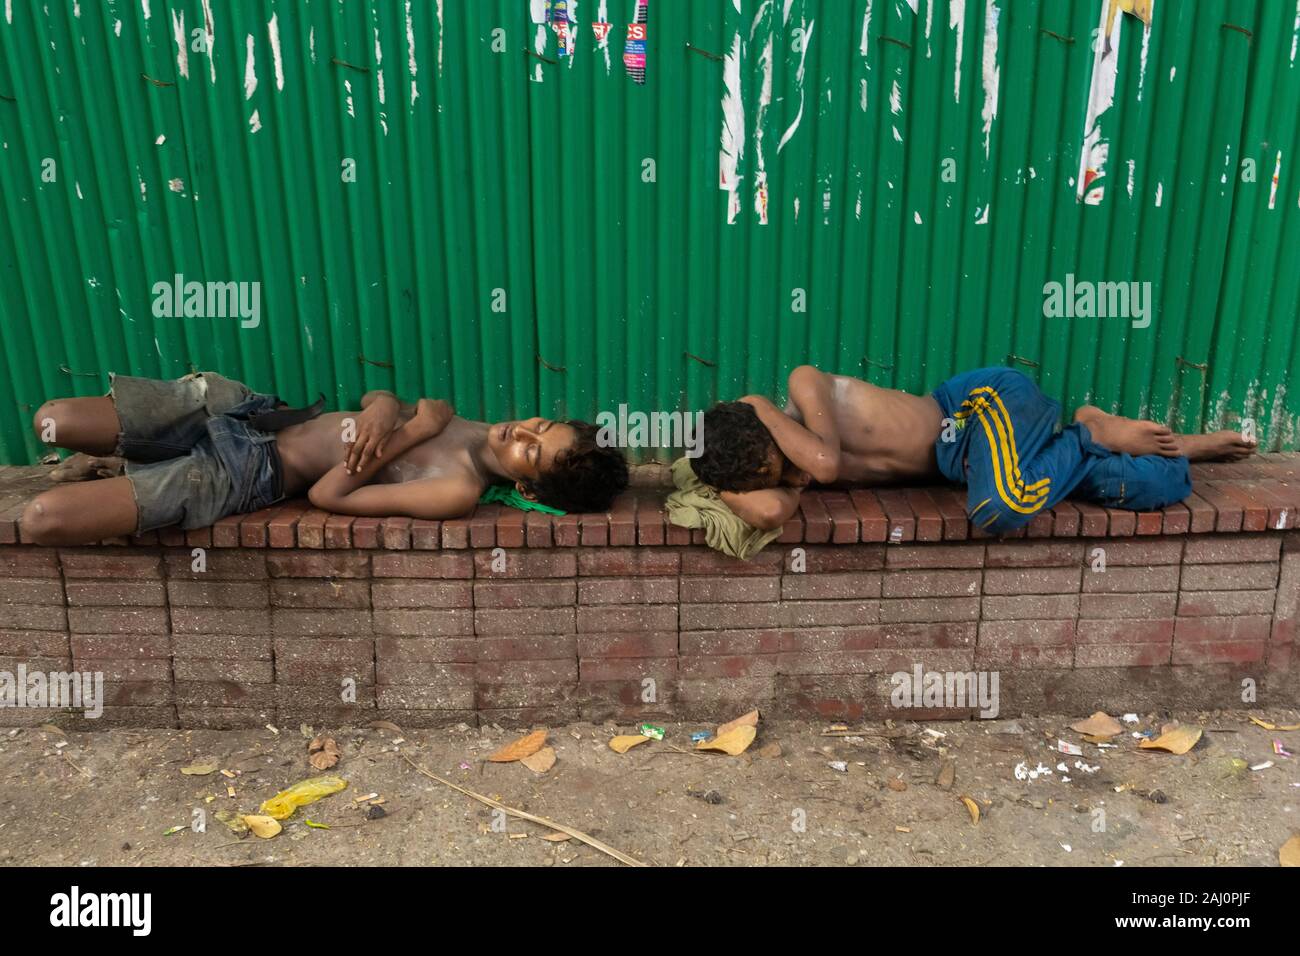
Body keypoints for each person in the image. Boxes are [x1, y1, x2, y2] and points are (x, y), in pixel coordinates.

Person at [20, 371, 628, 546]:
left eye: (532, 451)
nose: (518, 432)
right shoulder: (462, 420)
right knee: (54, 420)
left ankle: (128, 474)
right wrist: (385, 404)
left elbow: (327, 498)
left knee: (39, 520)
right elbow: (365, 404)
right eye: (537, 425)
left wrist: (416, 428)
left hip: (245, 472)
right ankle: (118, 460)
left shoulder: (456, 490)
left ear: (530, 491)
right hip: (250, 414)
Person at [691, 365, 1256, 533]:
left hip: (978, 409)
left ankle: (1090, 434)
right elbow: (769, 512)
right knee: (1153, 484)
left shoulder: (801, 387)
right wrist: (725, 488)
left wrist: (758, 405)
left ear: (765, 430)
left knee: (1001, 507)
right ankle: (1153, 443)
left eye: (769, 464)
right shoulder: (782, 466)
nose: (783, 478)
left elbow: (825, 462)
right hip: (972, 463)